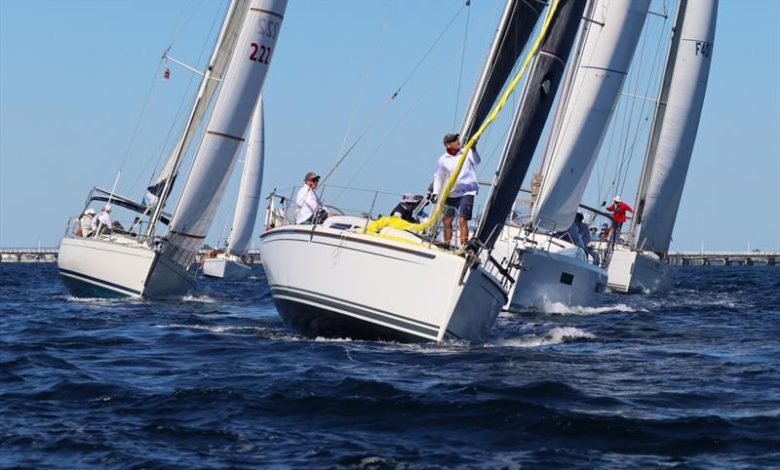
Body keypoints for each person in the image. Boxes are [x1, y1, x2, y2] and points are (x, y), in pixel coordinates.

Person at [431, 133, 480, 246]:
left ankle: (463, 245)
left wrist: (473, 149)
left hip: (467, 190)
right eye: (455, 140)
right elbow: (438, 177)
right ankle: (447, 244)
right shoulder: (443, 160)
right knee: (447, 220)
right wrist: (435, 193)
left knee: (463, 219)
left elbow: (477, 161)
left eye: (457, 139)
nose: (458, 141)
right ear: (448, 145)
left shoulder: (466, 152)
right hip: (452, 192)